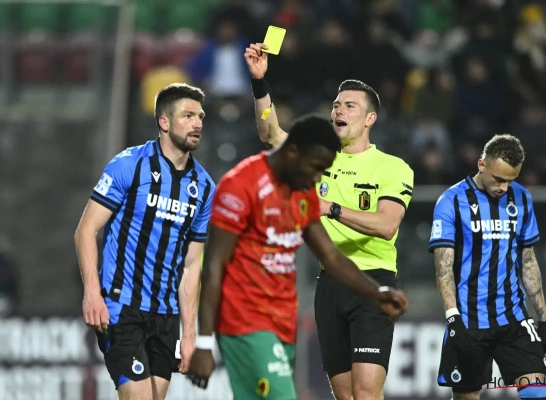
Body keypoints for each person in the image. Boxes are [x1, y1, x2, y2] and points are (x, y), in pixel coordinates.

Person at [185, 115, 409, 400]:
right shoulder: (241, 185)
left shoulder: (302, 192)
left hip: (282, 321)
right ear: (292, 152)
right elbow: (213, 266)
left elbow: (331, 256)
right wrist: (204, 342)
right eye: (315, 168)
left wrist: (377, 293)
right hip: (245, 321)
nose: (317, 177)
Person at [243, 43, 415, 399]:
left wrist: (331, 208)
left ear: (370, 119)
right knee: (345, 395)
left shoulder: (392, 167)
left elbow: (387, 225)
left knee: (366, 392)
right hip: (330, 284)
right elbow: (269, 133)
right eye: (337, 104)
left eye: (350, 106)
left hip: (372, 281)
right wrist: (260, 83)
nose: (339, 110)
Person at [74, 83, 215, 400]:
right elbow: (85, 231)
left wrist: (189, 335)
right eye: (188, 116)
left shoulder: (204, 187)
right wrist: (92, 293)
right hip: (122, 308)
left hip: (166, 315)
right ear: (164, 122)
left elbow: (192, 264)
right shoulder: (130, 165)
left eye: (200, 116)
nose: (197, 123)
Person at [429, 134, 546, 400]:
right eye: (498, 179)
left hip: (513, 317)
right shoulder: (451, 201)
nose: (504, 187)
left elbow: (528, 260)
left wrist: (543, 318)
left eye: (510, 180)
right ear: (481, 164)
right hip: (469, 321)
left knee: (537, 393)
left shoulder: (522, 198)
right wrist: (452, 318)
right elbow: (443, 267)